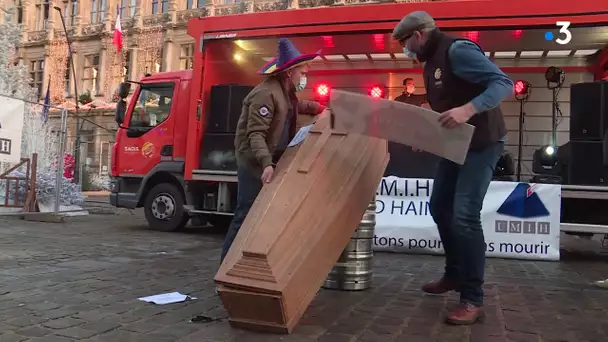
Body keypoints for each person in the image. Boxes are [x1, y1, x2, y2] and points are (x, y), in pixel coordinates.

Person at [392, 11, 514, 325]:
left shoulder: (458, 51)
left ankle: (473, 299)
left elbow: (503, 84)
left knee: (464, 215)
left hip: (483, 143)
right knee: (439, 207)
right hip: (455, 143)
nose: (405, 50)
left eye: (405, 42)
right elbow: (445, 110)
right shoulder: (431, 61)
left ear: (418, 35)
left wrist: (468, 109)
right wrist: (429, 135)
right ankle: (455, 274)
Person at [220, 38, 327, 264]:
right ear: (289, 73)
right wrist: (266, 164)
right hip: (254, 163)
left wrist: (319, 107)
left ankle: (248, 263)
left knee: (262, 216)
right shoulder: (265, 94)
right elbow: (255, 134)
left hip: (268, 160)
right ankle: (226, 265)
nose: (304, 75)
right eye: (301, 71)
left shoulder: (284, 91)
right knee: (245, 213)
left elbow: (293, 108)